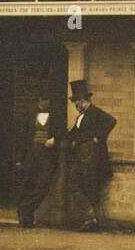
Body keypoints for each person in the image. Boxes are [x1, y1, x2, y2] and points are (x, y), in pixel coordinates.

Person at [62, 79, 116, 231]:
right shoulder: (80, 117)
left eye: (77, 102)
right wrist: (58, 139)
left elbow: (112, 121)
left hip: (92, 158)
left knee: (86, 186)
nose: (76, 106)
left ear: (84, 100)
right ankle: (90, 218)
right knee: (75, 184)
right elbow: (71, 134)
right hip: (81, 157)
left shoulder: (95, 112)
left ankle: (90, 220)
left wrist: (98, 137)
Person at [16, 98, 61, 228]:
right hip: (32, 154)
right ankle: (25, 215)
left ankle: (26, 208)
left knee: (43, 184)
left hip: (48, 155)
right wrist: (20, 158)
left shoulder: (56, 115)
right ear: (37, 101)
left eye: (47, 99)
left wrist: (55, 139)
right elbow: (22, 136)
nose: (45, 102)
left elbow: (63, 132)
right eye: (42, 100)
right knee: (27, 183)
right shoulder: (29, 116)